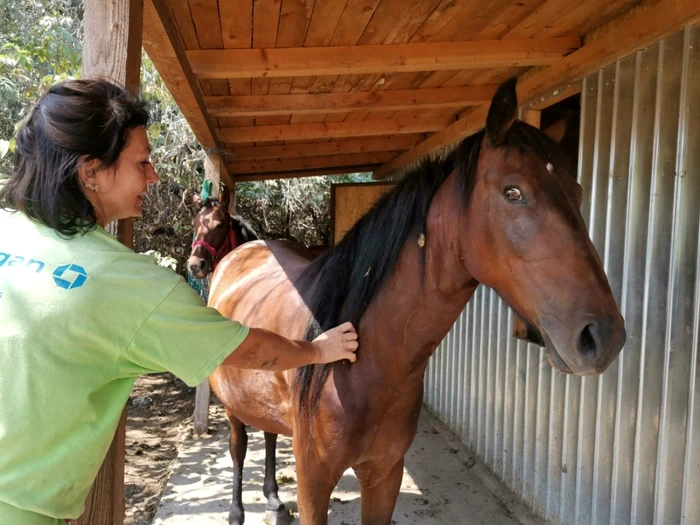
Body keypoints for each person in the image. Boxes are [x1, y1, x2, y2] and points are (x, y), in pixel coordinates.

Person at [0, 79, 359, 525]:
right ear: (89, 171)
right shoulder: (130, 285)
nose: (153, 176)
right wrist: (318, 350)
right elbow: (247, 350)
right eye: (142, 162)